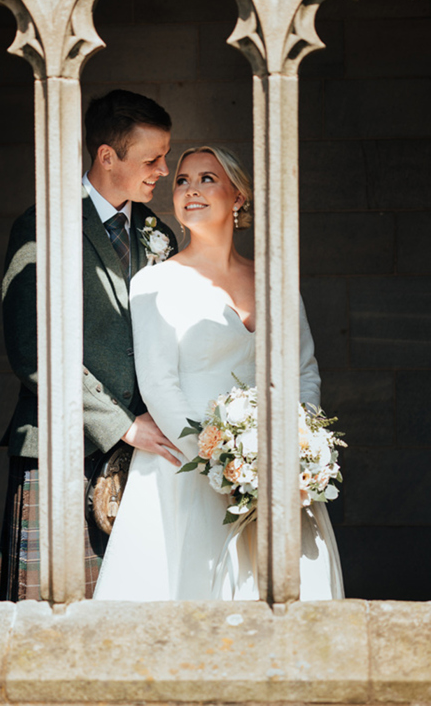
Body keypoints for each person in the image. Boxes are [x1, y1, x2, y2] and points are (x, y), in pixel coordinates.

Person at [94, 145, 344, 600]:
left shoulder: (275, 280)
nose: (190, 189)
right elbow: (158, 384)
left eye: (207, 179)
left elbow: (303, 368)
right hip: (188, 469)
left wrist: (291, 448)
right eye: (182, 181)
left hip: (275, 468)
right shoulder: (154, 283)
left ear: (239, 197)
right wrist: (223, 466)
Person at [0, 89, 179, 601]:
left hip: (143, 456)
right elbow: (33, 349)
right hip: (62, 449)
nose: (164, 170)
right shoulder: (44, 225)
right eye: (152, 158)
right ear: (106, 156)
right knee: (48, 622)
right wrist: (119, 425)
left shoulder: (157, 234)